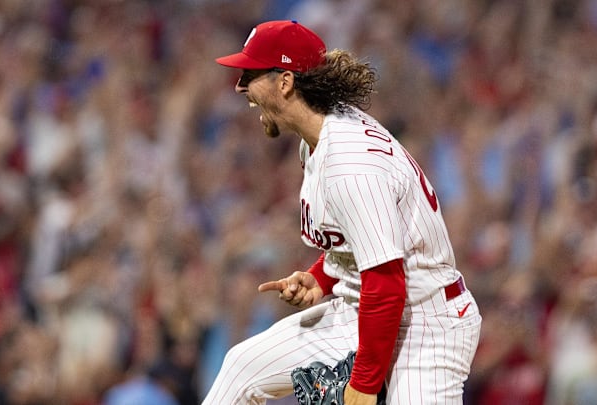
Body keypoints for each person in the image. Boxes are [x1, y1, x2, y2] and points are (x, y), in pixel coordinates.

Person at [203, 20, 482, 405]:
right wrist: (322, 277)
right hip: (365, 310)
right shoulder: (321, 134)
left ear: (285, 82)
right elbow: (361, 239)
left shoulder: (349, 164)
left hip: (426, 324)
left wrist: (364, 388)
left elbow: (387, 285)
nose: (240, 87)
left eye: (250, 74)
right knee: (241, 367)